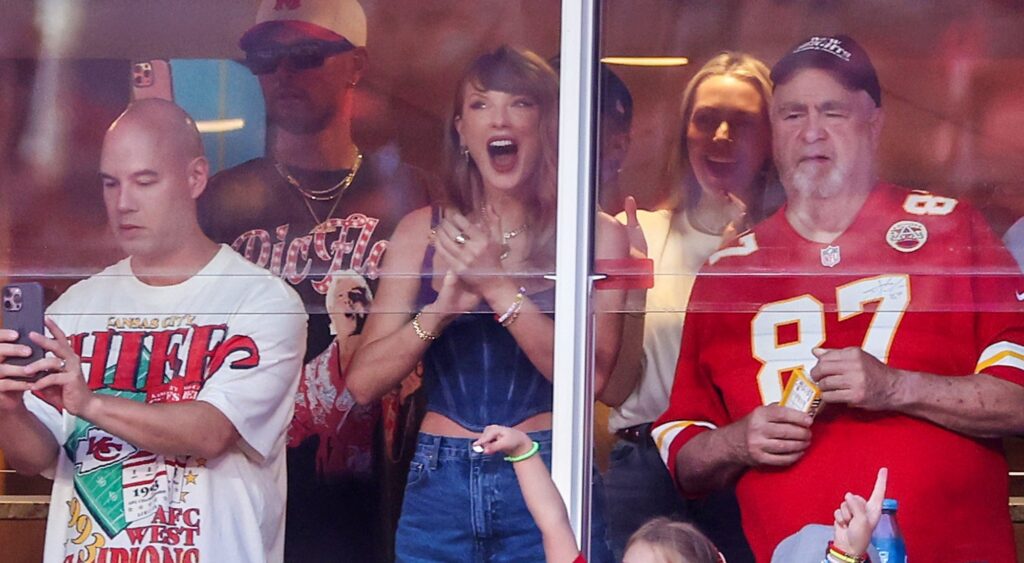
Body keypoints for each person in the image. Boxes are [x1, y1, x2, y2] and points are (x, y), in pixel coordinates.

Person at [653, 34, 1024, 562]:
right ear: (772, 135)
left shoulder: (951, 228)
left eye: (833, 112)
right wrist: (738, 441)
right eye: (791, 115)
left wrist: (895, 387)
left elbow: (1018, 401)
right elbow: (682, 452)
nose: (811, 132)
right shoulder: (728, 271)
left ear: (874, 125)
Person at [347, 45, 628, 562]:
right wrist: (441, 311)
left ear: (548, 122)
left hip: (547, 465)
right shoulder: (420, 231)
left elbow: (591, 380)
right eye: (480, 105)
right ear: (460, 129)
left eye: (520, 102)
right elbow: (362, 383)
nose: (499, 118)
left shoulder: (595, 235)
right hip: (441, 477)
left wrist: (497, 287)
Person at [0, 99, 307, 562]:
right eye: (110, 183)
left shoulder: (263, 301)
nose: (124, 202)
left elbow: (211, 432)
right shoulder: (76, 308)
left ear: (195, 178)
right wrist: (8, 408)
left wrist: (90, 403)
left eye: (145, 181)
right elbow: (38, 457)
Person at [197, 0, 433, 559]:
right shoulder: (219, 204)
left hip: (386, 503)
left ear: (355, 66)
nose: (282, 73)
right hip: (252, 493)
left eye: (304, 55)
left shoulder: (413, 197)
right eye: (265, 59)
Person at [603, 51, 778, 562]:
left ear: (769, 142)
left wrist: (739, 265)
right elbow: (614, 388)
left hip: (741, 463)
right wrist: (634, 282)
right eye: (706, 120)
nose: (721, 135)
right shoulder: (645, 232)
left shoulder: (786, 245)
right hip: (645, 463)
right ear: (685, 133)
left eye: (742, 123)